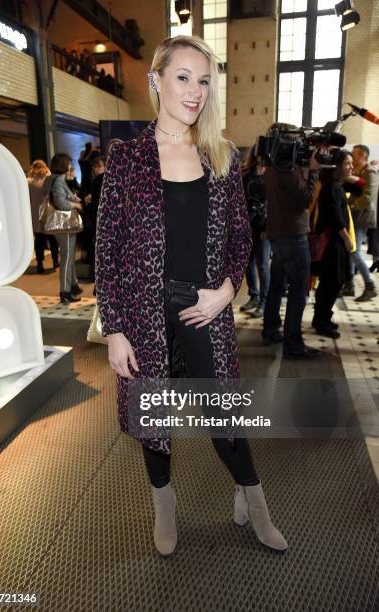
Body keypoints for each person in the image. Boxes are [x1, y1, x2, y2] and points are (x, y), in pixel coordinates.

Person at [95, 35, 288, 557]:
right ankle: (165, 505)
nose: (195, 91)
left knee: (223, 415)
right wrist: (114, 328)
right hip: (141, 312)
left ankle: (254, 500)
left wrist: (228, 289)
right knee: (153, 417)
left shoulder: (218, 155)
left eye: (204, 80)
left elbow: (241, 237)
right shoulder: (128, 159)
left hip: (204, 309)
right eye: (183, 77)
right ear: (155, 80)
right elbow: (107, 247)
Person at [261, 124, 323, 359]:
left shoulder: (272, 166)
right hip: (293, 236)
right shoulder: (288, 169)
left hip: (277, 234)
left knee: (277, 285)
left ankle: (270, 330)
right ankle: (293, 343)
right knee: (298, 291)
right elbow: (305, 199)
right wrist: (314, 171)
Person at [312, 150, 355, 338]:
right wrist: (346, 238)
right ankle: (321, 321)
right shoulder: (331, 187)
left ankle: (323, 317)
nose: (351, 167)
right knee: (331, 283)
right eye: (347, 164)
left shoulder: (335, 185)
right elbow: (335, 217)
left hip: (335, 242)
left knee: (332, 283)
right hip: (333, 243)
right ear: (337, 166)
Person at [43, 154, 83, 304]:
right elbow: (61, 203)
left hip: (60, 226)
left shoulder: (51, 178)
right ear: (63, 164)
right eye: (68, 163)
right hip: (64, 225)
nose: (69, 166)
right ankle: (65, 290)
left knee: (69, 255)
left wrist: (74, 198)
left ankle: (73, 285)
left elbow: (65, 195)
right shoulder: (58, 179)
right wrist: (76, 205)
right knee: (67, 257)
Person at [343, 145, 379, 301]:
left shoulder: (371, 172)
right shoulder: (359, 172)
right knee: (350, 251)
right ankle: (349, 284)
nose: (351, 156)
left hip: (362, 217)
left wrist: (349, 205)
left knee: (354, 252)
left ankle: (370, 284)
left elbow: (367, 197)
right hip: (354, 216)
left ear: (363, 155)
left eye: (354, 154)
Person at [239, 147, 270, 318]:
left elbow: (273, 204)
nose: (260, 157)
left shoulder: (272, 174)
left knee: (263, 265)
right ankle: (254, 296)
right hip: (247, 223)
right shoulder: (246, 173)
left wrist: (267, 227)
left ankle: (264, 302)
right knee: (247, 263)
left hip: (264, 225)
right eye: (258, 153)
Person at [27, 160, 59, 274]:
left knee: (39, 240)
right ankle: (55, 261)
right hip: (48, 213)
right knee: (53, 239)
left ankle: (40, 263)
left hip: (35, 214)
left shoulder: (29, 182)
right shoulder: (48, 179)